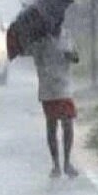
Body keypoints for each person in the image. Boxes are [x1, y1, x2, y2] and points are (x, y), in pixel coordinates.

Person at [26, 20, 80, 178]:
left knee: (68, 124)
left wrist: (70, 55)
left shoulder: (67, 35)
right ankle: (56, 164)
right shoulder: (40, 40)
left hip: (64, 87)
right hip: (48, 88)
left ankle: (67, 162)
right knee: (52, 125)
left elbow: (76, 57)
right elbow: (35, 57)